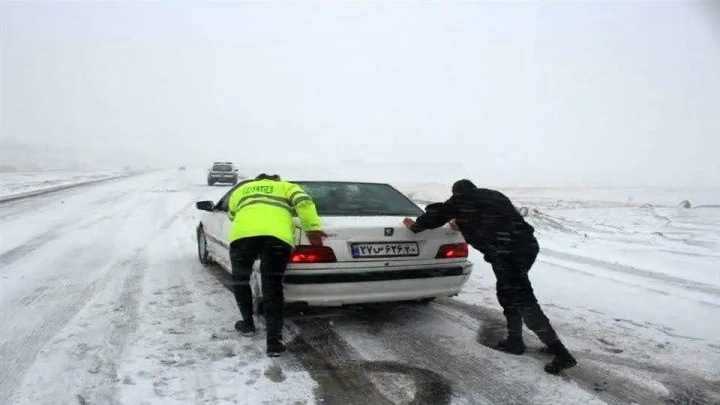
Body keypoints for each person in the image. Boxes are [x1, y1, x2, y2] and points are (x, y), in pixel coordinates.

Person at [402, 179, 577, 374]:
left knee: (522, 299)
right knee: (508, 292)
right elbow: (492, 218)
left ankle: (561, 353)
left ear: (456, 192)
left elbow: (432, 220)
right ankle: (515, 341)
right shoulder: (494, 196)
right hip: (526, 246)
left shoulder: (460, 200)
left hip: (506, 253)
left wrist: (414, 225)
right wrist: (463, 222)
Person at [227, 173, 326, 357]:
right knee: (272, 287)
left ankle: (247, 324)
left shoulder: (242, 189)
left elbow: (232, 214)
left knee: (240, 280)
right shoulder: (286, 186)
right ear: (276, 180)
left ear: (258, 181)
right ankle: (273, 342)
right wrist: (312, 228)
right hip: (276, 238)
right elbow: (304, 201)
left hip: (242, 237)